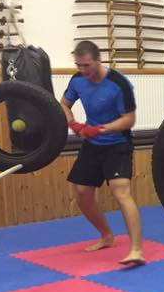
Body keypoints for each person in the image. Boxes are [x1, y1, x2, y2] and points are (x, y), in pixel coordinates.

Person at [60, 40, 144, 265]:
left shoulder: (118, 83)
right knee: (81, 193)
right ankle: (107, 236)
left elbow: (129, 119)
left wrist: (100, 129)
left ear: (98, 61)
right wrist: (74, 124)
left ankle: (136, 250)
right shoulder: (77, 80)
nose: (82, 70)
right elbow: (64, 104)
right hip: (92, 144)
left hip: (117, 143)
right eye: (78, 65)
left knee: (120, 192)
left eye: (86, 65)